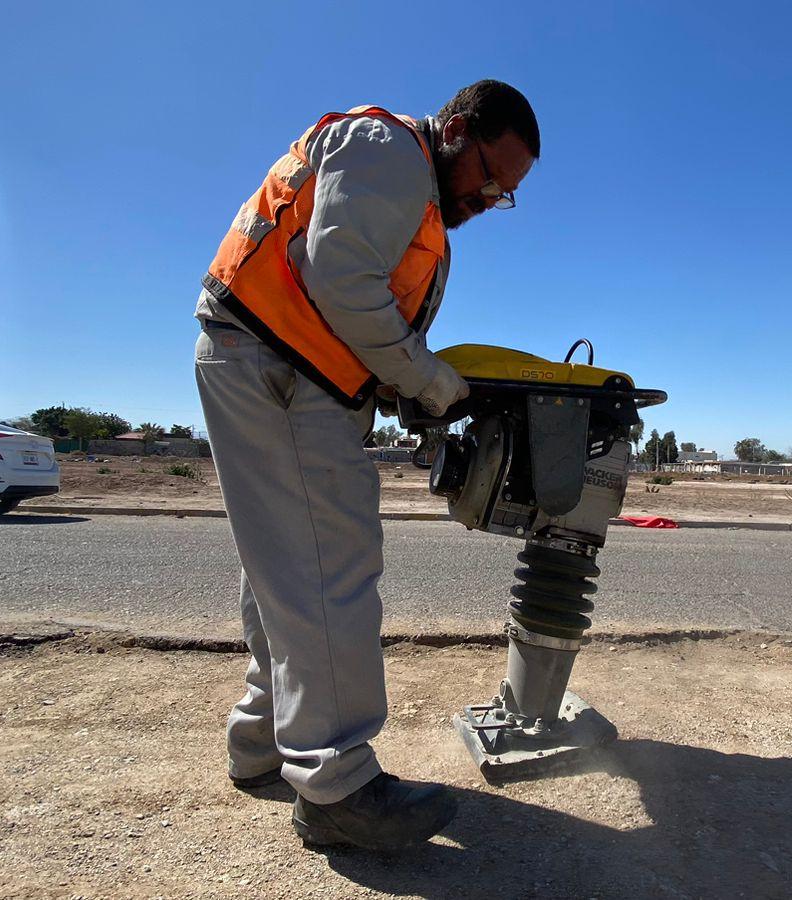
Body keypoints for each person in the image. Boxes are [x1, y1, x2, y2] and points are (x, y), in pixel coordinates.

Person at [192, 80, 539, 850]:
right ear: (453, 130)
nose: (489, 200)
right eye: (489, 178)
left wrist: (396, 382)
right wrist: (430, 380)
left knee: (284, 569)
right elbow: (343, 281)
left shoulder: (406, 183)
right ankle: (337, 786)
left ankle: (260, 742)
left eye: (504, 196)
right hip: (282, 368)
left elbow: (350, 302)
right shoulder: (389, 152)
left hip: (273, 362)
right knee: (328, 569)